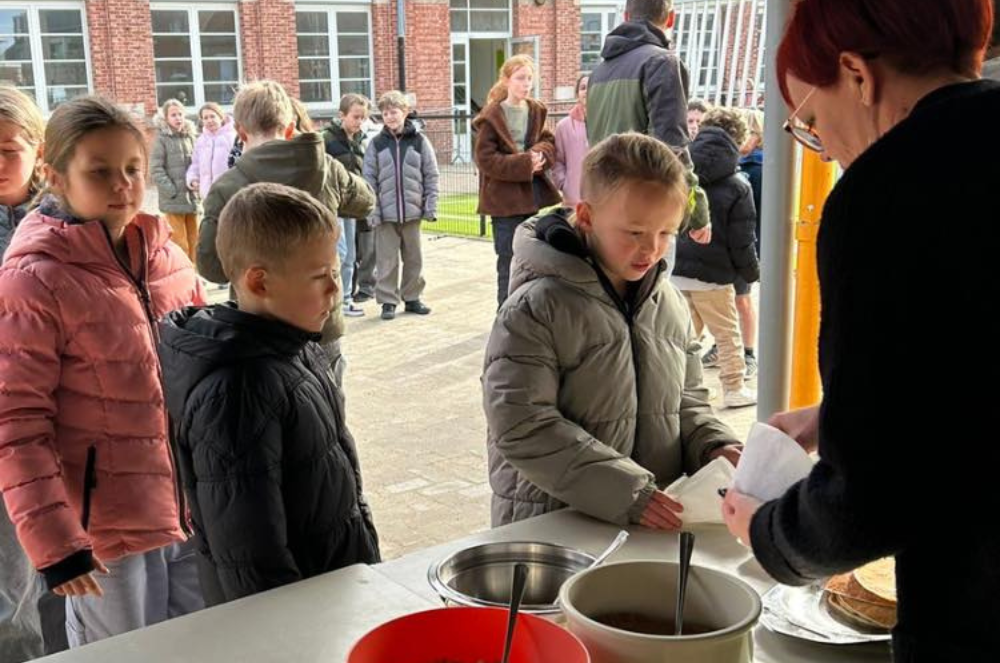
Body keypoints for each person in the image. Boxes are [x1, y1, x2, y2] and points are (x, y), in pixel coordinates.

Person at [721, 1, 999, 660]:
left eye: (813, 123)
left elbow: (871, 499)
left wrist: (769, 533)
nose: (831, 152)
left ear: (857, 75)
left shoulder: (887, 190)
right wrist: (837, 412)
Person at [0, 96, 205, 648]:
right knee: (124, 655)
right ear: (56, 175)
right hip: (104, 535)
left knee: (201, 648)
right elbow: (18, 420)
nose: (123, 185)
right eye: (100, 171)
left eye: (133, 169)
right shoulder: (35, 278)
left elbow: (201, 363)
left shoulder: (166, 254)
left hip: (185, 511)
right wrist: (56, 543)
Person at [483, 132, 741, 528]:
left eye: (665, 233)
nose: (651, 249)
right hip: (554, 526)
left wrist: (714, 444)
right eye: (635, 232)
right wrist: (625, 491)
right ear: (586, 216)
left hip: (647, 519)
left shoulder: (668, 303)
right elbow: (522, 424)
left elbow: (686, 401)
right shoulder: (535, 309)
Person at [158, 183, 381, 606]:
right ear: (259, 282)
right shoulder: (237, 392)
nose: (335, 290)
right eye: (320, 277)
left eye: (336, 272)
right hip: (295, 619)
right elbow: (249, 554)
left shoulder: (297, 349)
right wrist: (288, 633)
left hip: (334, 588)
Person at [196, 80, 374, 383]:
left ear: (241, 132)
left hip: (259, 326)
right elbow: (366, 201)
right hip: (321, 321)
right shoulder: (326, 168)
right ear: (291, 127)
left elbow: (212, 267)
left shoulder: (226, 189)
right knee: (328, 411)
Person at [586, 0, 713, 252]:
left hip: (604, 210)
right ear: (671, 19)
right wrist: (698, 213)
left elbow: (592, 145)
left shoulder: (598, 73)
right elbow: (671, 150)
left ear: (626, 15)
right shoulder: (662, 63)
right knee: (648, 290)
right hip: (647, 213)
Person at [672, 108, 759, 409]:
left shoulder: (684, 173)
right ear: (738, 138)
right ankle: (734, 387)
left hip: (679, 269)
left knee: (683, 333)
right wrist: (751, 272)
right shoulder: (738, 184)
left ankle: (674, 386)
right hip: (715, 274)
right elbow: (742, 238)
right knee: (726, 332)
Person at [472, 55, 560, 308]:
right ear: (507, 80)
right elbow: (486, 158)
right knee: (508, 260)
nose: (526, 84)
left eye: (530, 78)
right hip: (503, 202)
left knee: (531, 258)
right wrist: (524, 163)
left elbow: (548, 141)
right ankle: (506, 311)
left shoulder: (535, 110)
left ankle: (528, 310)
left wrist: (540, 155)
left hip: (530, 199)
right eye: (521, 78)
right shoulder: (492, 115)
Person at [362, 91, 438, 321]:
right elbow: (368, 180)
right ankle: (387, 301)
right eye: (385, 113)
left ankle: (412, 297)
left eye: (394, 112)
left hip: (413, 211)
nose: (390, 117)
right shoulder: (376, 144)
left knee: (414, 257)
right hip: (385, 214)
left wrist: (430, 206)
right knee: (387, 259)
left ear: (404, 112)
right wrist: (373, 212)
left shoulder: (420, 141)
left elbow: (431, 174)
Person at [325, 93, 373, 317]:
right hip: (333, 205)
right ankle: (336, 301)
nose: (359, 121)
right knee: (340, 253)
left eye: (363, 117)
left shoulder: (362, 139)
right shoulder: (326, 138)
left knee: (352, 255)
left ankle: (346, 299)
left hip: (353, 206)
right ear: (341, 115)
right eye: (355, 117)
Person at [150, 98, 199, 261]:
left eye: (180, 114)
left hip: (191, 197)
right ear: (165, 118)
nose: (178, 118)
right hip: (173, 198)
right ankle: (183, 273)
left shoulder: (190, 136)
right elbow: (156, 169)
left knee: (195, 239)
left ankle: (195, 275)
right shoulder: (161, 139)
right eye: (173, 115)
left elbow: (197, 163)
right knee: (180, 242)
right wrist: (171, 190)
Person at [186, 102, 237, 201]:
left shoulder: (232, 137)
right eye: (205, 118)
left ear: (221, 117)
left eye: (212, 116)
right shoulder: (200, 141)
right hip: (207, 195)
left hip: (229, 194)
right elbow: (195, 164)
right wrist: (193, 179)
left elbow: (239, 164)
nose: (209, 120)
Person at [552, 75, 590, 206]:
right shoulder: (564, 126)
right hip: (573, 200)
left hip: (602, 199)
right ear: (577, 94)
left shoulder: (606, 123)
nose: (587, 91)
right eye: (583, 88)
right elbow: (557, 160)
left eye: (591, 87)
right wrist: (564, 185)